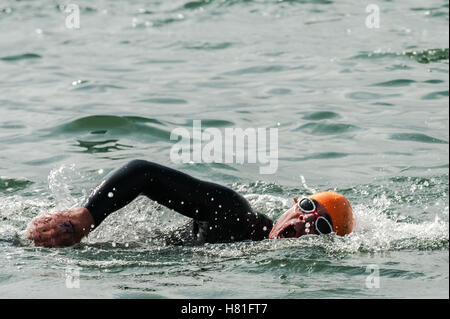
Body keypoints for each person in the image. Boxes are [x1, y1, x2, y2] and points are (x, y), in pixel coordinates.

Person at [26, 160, 354, 247]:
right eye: (308, 208)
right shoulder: (236, 215)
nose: (304, 223)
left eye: (321, 226)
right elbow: (143, 173)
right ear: (294, 204)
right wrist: (86, 217)